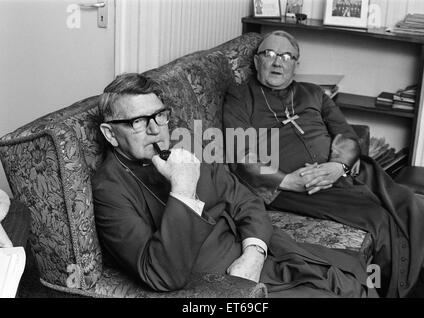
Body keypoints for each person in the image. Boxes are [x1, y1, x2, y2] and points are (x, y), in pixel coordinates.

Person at [92, 72, 377, 297]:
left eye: (160, 116)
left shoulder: (183, 146)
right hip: (222, 283)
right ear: (110, 133)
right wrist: (183, 190)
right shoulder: (109, 189)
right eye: (139, 122)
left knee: (355, 279)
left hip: (260, 252)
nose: (156, 129)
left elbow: (247, 201)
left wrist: (254, 251)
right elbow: (161, 275)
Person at [222, 30, 424, 298]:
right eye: (269, 54)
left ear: (296, 64)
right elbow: (243, 154)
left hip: (343, 171)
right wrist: (289, 180)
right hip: (294, 187)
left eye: (286, 56)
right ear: (257, 61)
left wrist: (338, 166)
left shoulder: (313, 93)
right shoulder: (240, 97)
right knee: (378, 217)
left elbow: (345, 133)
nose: (276, 62)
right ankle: (415, 289)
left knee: (409, 203)